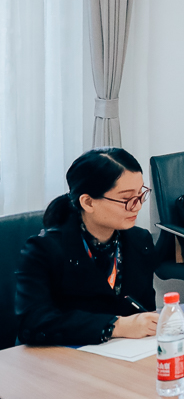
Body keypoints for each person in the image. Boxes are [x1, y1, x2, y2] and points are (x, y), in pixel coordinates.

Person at [15, 148, 166, 346]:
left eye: (140, 195)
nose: (137, 206)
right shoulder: (44, 249)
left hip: (120, 351)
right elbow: (33, 323)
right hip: (61, 353)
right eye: (126, 199)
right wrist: (115, 326)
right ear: (88, 202)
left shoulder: (139, 240)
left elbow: (143, 308)